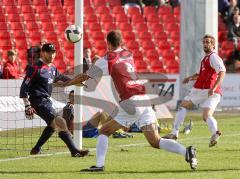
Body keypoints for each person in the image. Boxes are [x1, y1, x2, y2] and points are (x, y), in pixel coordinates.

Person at [55, 30, 198, 171]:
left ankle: (99, 165)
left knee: (104, 130)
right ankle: (186, 151)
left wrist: (66, 83)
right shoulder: (127, 53)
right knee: (155, 140)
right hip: (144, 99)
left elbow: (86, 76)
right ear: (121, 42)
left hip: (131, 101)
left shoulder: (107, 59)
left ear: (108, 43)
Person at [19, 43, 89, 157]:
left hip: (46, 101)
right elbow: (24, 87)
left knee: (53, 125)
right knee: (60, 121)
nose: (51, 55)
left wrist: (76, 81)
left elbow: (62, 79)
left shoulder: (52, 68)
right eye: (49, 52)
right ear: (43, 53)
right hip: (38, 101)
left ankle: (36, 148)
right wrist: (27, 105)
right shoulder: (35, 68)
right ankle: (74, 151)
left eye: (53, 52)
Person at [163, 35, 226, 147]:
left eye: (208, 42)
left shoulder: (213, 57)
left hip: (205, 89)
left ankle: (174, 133)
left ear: (213, 45)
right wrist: (190, 78)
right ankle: (215, 132)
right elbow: (200, 74)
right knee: (206, 115)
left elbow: (222, 72)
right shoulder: (205, 59)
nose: (205, 44)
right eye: (204, 42)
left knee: (183, 105)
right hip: (213, 92)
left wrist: (213, 87)